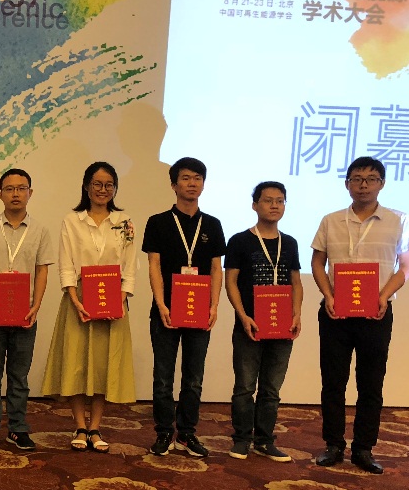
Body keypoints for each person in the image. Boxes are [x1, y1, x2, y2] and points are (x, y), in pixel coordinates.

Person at [311, 156, 409, 474]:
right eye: (356, 179)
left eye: (371, 179)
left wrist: (383, 296)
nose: (363, 185)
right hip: (335, 313)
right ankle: (333, 445)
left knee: (371, 384)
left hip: (376, 314)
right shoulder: (331, 220)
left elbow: (406, 265)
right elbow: (317, 262)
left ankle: (363, 449)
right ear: (347, 184)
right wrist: (329, 295)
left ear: (381, 184)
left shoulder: (399, 220)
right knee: (333, 382)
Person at [42, 161, 136, 452]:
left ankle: (95, 427)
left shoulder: (124, 221)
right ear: (86, 186)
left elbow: (129, 265)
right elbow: (66, 263)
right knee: (76, 361)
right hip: (79, 297)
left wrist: (122, 297)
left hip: (113, 297)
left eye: (109, 185)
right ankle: (80, 426)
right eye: (97, 184)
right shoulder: (72, 220)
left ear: (115, 189)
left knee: (103, 363)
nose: (102, 190)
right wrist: (74, 298)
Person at [142, 156, 226, 458]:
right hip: (166, 311)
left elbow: (216, 268)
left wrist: (214, 305)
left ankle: (187, 434)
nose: (192, 184)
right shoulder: (158, 222)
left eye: (198, 178)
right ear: (174, 184)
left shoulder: (212, 224)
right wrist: (161, 303)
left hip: (200, 310)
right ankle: (164, 432)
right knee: (163, 376)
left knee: (194, 377)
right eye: (186, 178)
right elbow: (154, 265)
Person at [0, 168, 53, 450]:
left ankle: (18, 428)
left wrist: (36, 306)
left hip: (25, 315)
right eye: (9, 189)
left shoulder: (40, 230)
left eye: (21, 188)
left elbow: (42, 271)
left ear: (30, 192)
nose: (16, 194)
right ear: (0, 194)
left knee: (19, 376)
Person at [224, 181, 302, 462]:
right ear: (255, 205)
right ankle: (242, 439)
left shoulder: (290, 243)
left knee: (271, 389)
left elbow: (295, 281)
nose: (274, 205)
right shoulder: (239, 241)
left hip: (282, 325)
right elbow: (231, 281)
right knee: (245, 386)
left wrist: (296, 313)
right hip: (250, 325)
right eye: (268, 200)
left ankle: (265, 441)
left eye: (280, 201)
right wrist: (242, 315)